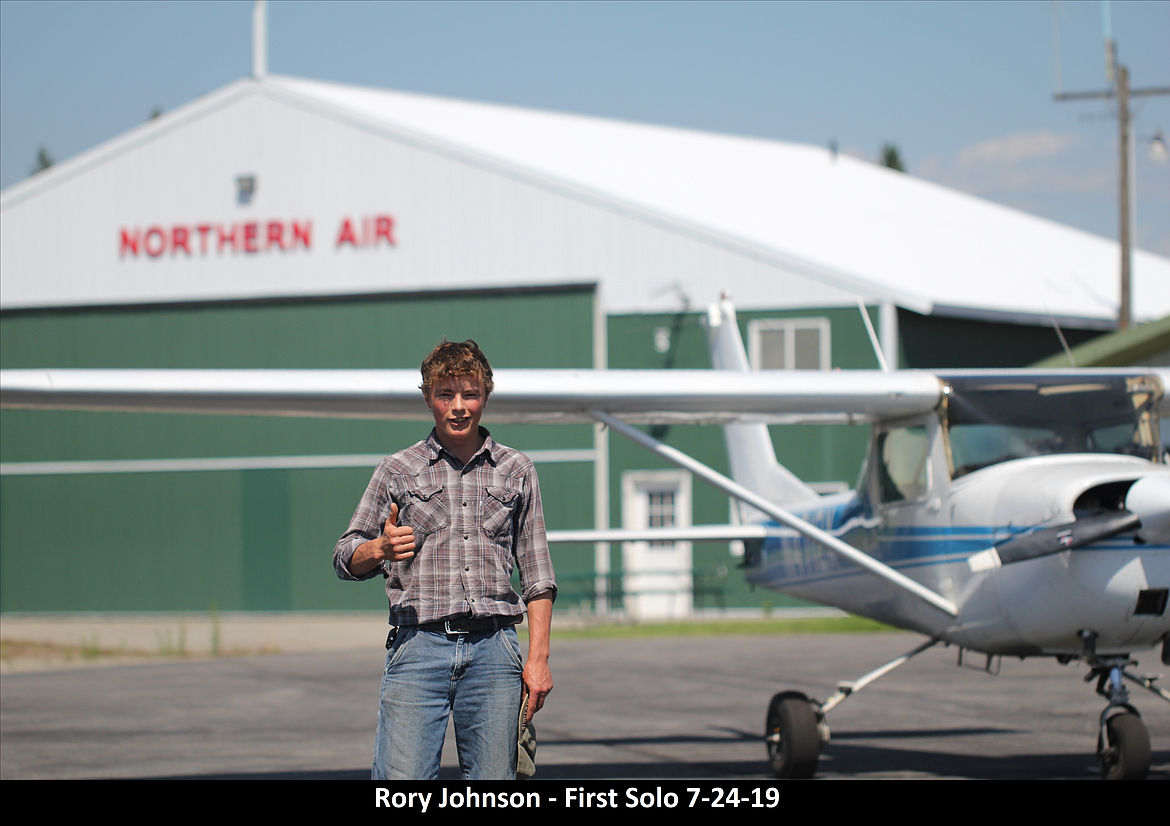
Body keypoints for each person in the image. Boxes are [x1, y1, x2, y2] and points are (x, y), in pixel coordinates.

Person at [333, 340, 555, 780]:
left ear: (486, 396)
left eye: (469, 394)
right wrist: (379, 548)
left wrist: (539, 659)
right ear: (427, 397)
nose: (458, 407)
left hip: (495, 653)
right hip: (418, 649)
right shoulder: (398, 470)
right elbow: (344, 557)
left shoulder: (517, 470)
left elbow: (538, 574)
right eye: (445, 394)